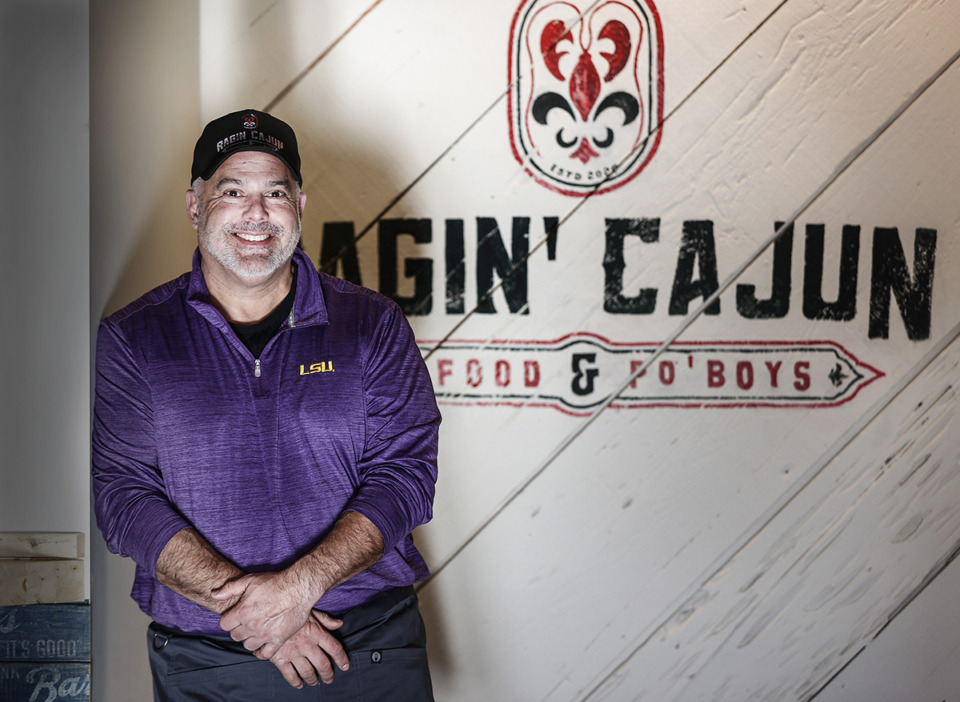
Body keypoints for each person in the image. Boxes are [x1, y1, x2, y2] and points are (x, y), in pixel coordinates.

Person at [92, 109, 441, 701]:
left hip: (369, 647)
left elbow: (406, 475)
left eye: (274, 192)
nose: (256, 212)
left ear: (299, 207)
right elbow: (122, 497)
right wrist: (264, 618)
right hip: (209, 663)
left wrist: (297, 590)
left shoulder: (371, 324)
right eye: (232, 190)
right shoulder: (135, 337)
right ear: (195, 205)